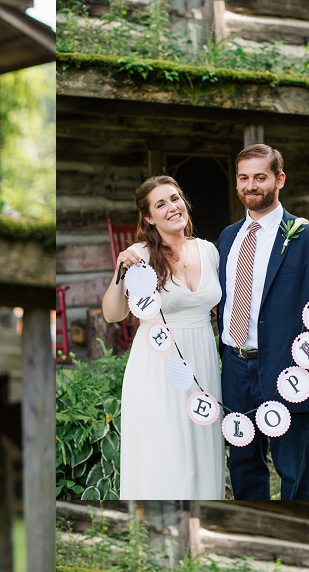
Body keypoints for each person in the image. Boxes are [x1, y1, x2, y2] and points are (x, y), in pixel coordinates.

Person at [218, 144, 309, 499]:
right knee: (244, 468)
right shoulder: (228, 237)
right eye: (244, 178)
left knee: (294, 473)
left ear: (279, 180)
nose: (251, 186)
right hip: (235, 367)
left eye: (260, 177)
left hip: (287, 368)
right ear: (236, 182)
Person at [103, 175, 225, 500]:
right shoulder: (139, 255)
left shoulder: (209, 251)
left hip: (202, 363)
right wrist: (120, 272)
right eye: (160, 204)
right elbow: (113, 314)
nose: (172, 207)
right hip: (158, 366)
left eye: (175, 198)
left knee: (201, 452)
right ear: (148, 217)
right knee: (165, 453)